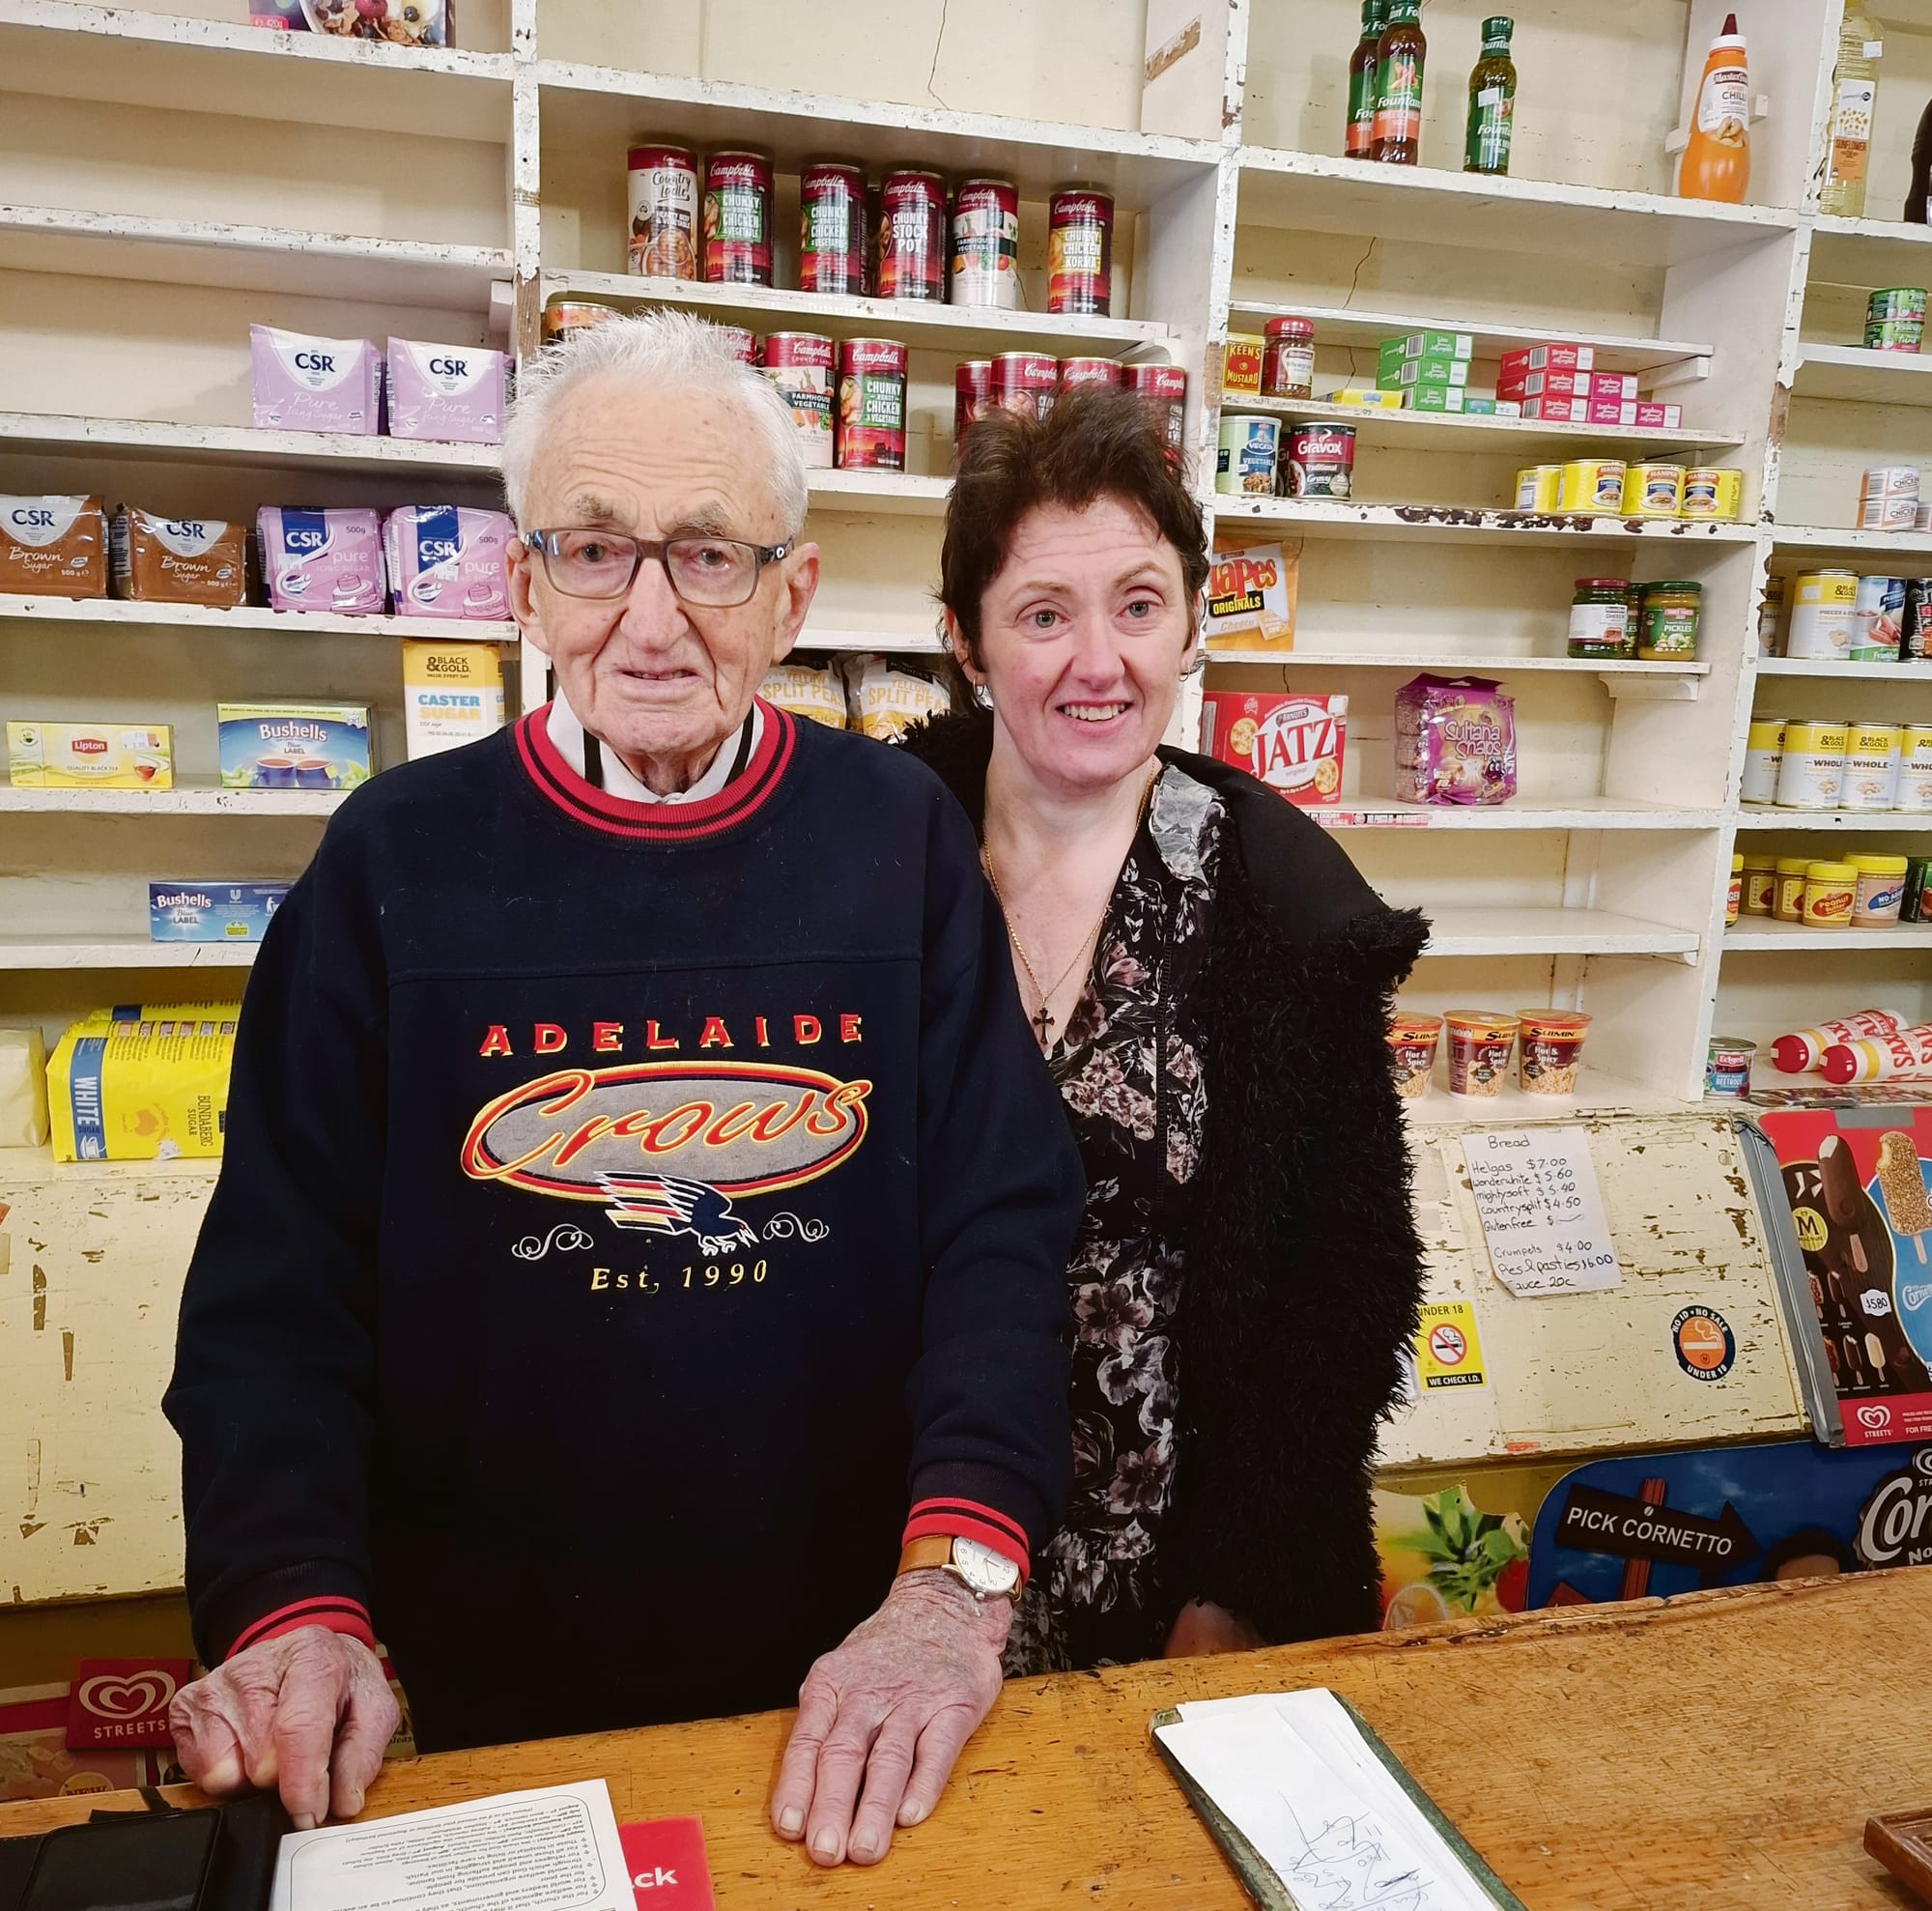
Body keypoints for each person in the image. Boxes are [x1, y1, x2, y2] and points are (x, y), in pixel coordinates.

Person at [161, 311, 1083, 1869]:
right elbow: (273, 1294)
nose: (652, 619)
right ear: (522, 583)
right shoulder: (389, 861)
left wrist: (950, 1590)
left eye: (709, 555)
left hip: (846, 1688)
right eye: (595, 551)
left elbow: (1001, 1231)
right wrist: (297, 1606)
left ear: (790, 593)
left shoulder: (899, 846)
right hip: (470, 1698)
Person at [900, 385, 1429, 1673]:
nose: (1101, 661)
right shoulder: (879, 857)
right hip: (904, 1576)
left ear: (1192, 619)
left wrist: (1234, 1589)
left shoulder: (1284, 903)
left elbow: (1347, 1287)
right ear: (966, 643)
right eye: (1043, 614)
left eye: (1138, 604)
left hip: (1180, 1592)